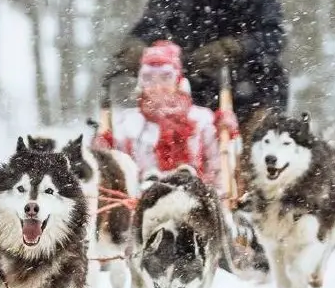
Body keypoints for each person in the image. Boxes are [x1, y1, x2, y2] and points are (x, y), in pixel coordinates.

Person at [105, 0, 289, 149]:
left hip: (252, 94)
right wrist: (137, 48)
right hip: (192, 96)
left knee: (248, 160)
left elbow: (273, 36)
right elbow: (151, 25)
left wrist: (233, 48)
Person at [93, 40, 239, 196]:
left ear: (177, 80)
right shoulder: (127, 122)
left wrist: (216, 200)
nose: (157, 86)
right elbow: (119, 172)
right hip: (141, 208)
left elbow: (218, 170)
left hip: (195, 206)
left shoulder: (202, 119)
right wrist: (102, 147)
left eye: (165, 77)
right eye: (149, 78)